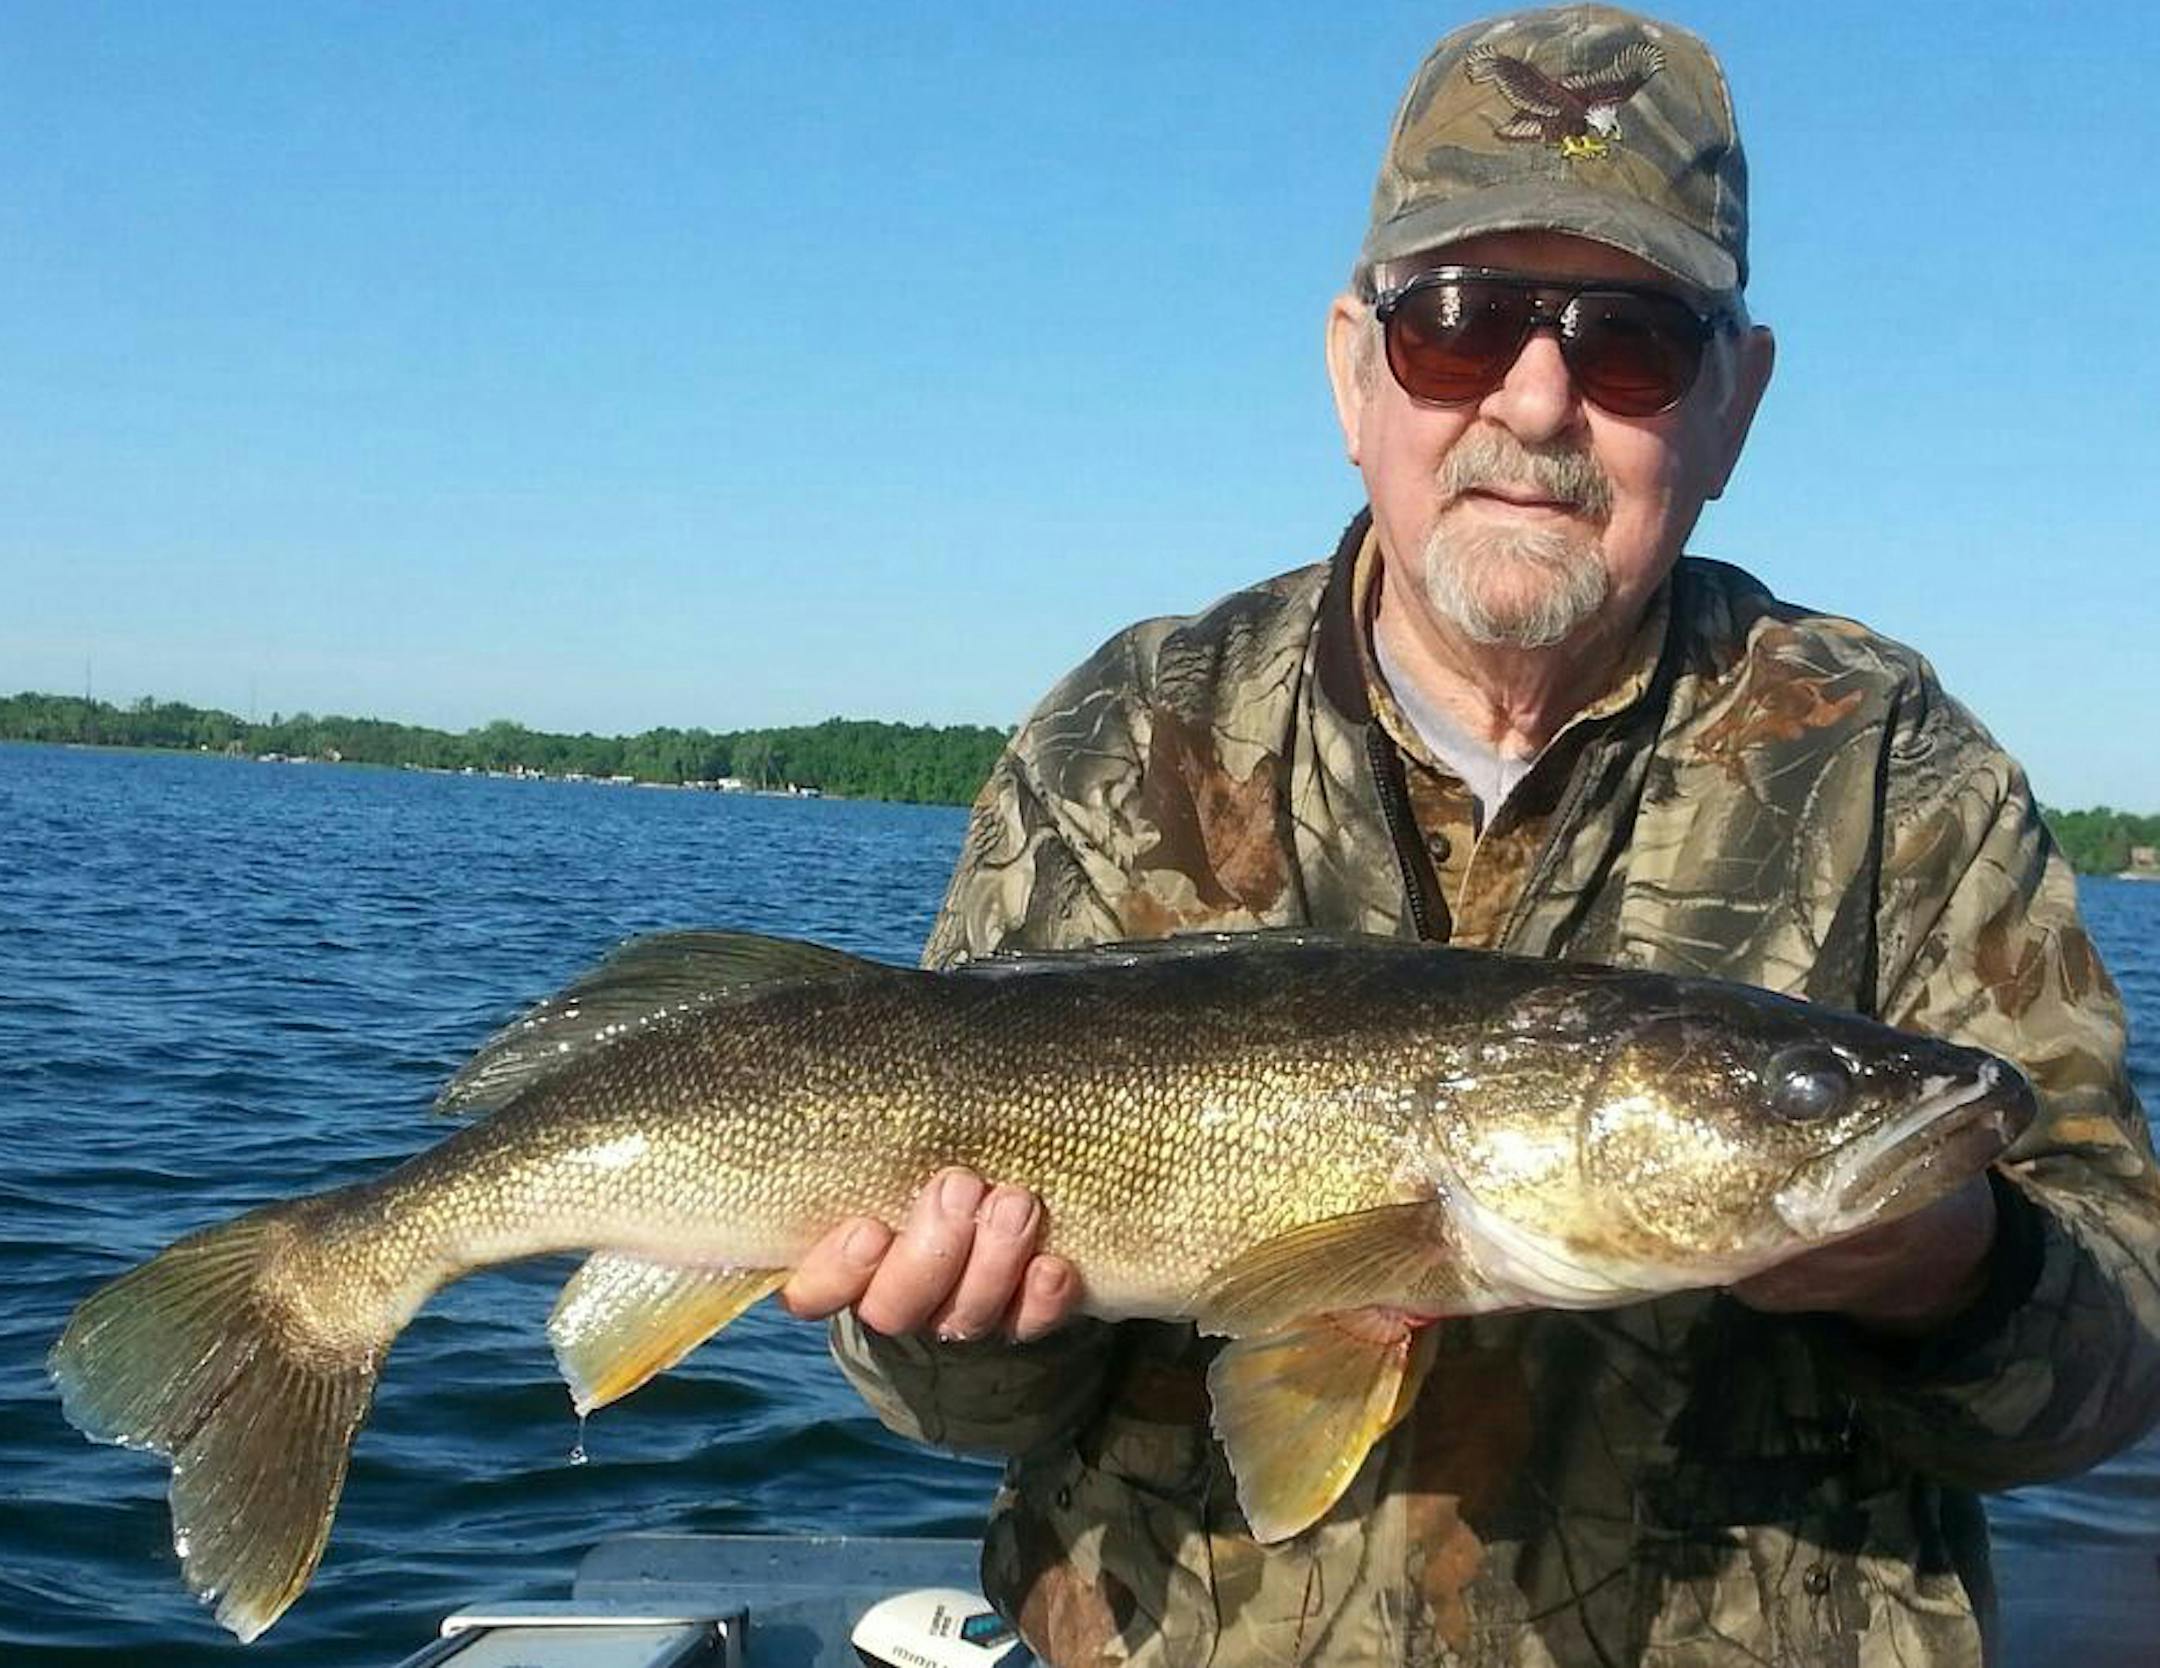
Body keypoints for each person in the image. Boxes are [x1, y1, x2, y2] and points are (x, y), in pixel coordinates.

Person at [781, 6, 2160, 1663]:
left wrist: (1956, 1273)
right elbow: (942, 1395)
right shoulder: (1125, 738)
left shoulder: (1892, 772)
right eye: (1459, 321)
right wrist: (958, 1333)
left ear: (1732, 406)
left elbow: (2115, 1359)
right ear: (1354, 371)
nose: (1537, 396)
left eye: (1630, 339)